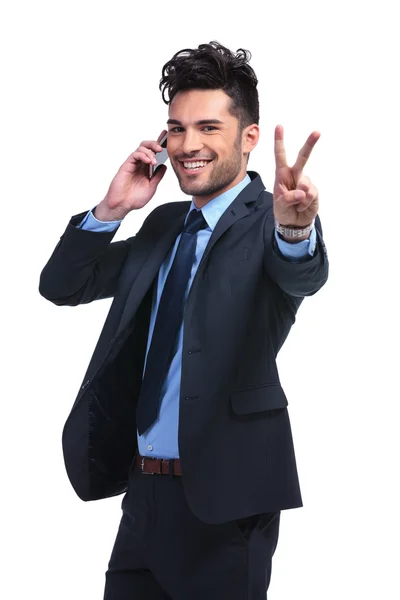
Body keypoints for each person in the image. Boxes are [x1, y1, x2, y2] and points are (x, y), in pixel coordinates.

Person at [39, 41, 329, 600]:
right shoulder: (163, 225)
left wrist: (295, 230)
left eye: (208, 127)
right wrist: (112, 210)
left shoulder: (269, 220)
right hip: (143, 493)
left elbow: (301, 277)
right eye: (176, 128)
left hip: (226, 502)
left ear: (249, 137)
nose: (187, 145)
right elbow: (62, 287)